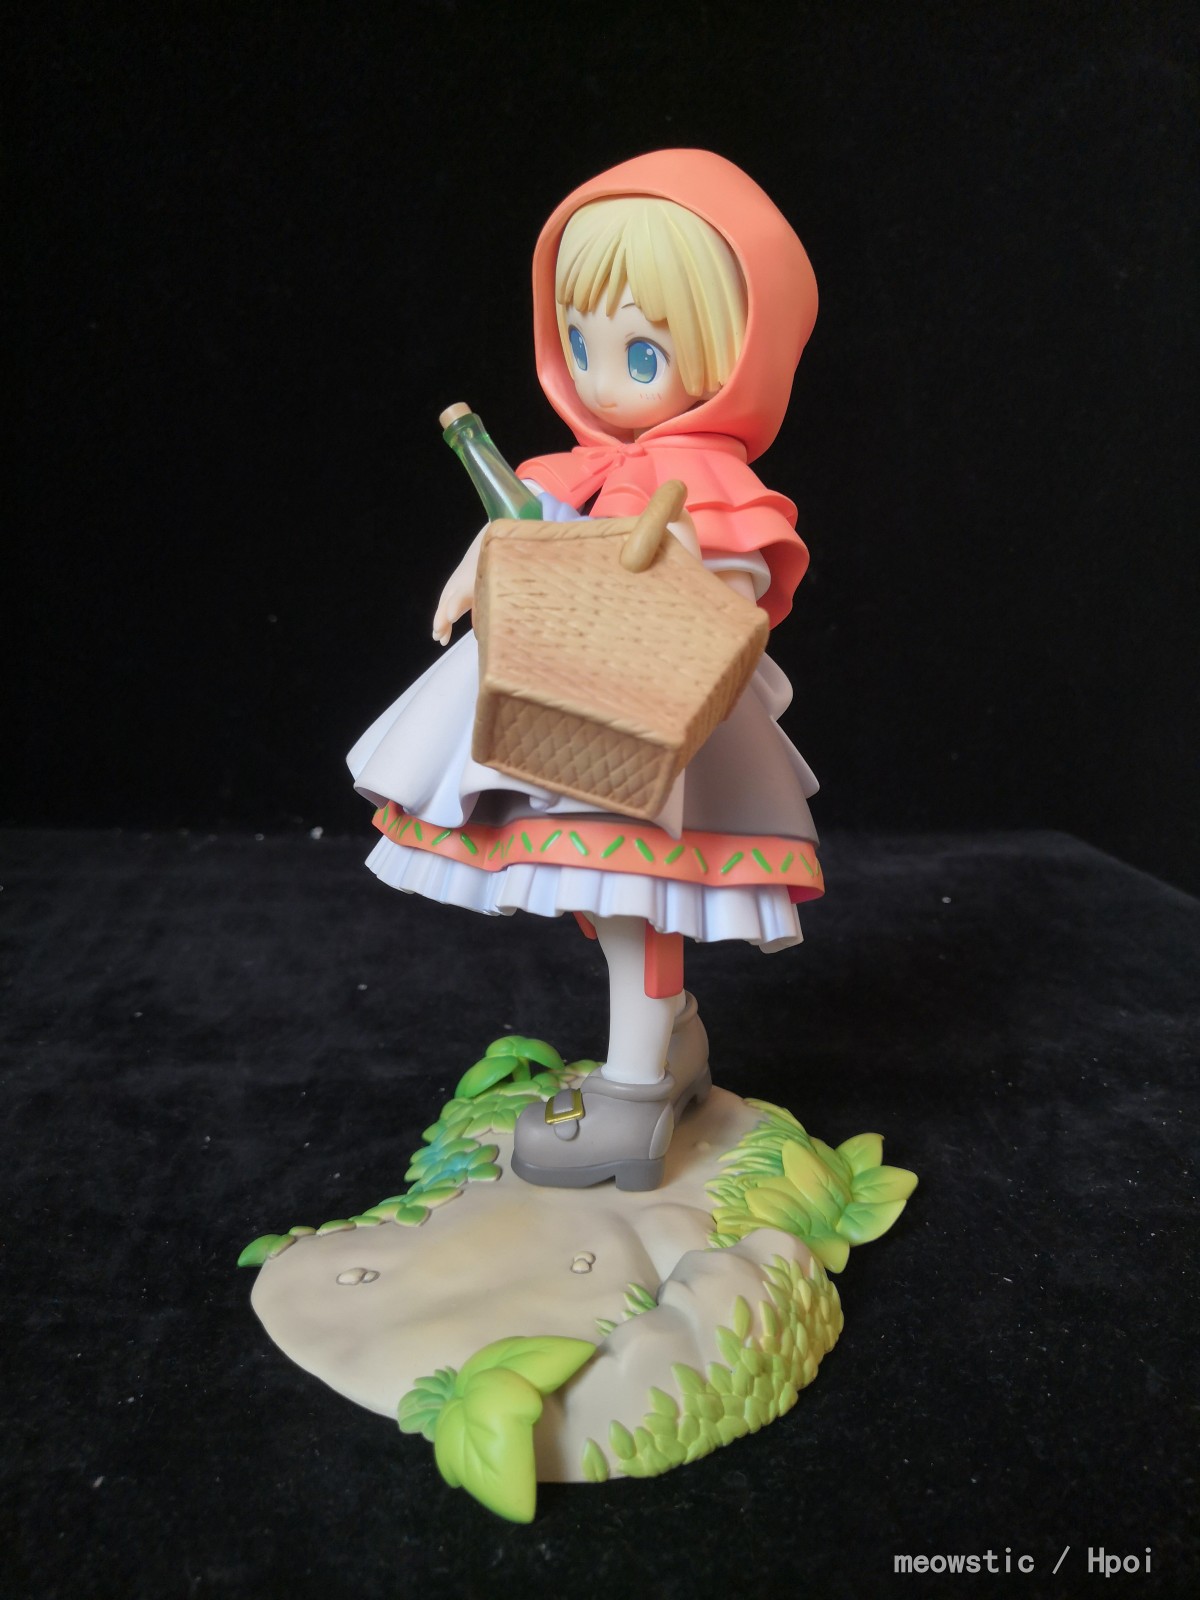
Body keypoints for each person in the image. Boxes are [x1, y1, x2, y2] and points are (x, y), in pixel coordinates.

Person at [347, 149, 823, 1191]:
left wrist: (681, 568)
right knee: (594, 890)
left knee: (635, 893)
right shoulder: (573, 469)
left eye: (642, 353)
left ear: (737, 354)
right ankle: (669, 1036)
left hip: (662, 720)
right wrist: (485, 568)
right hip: (557, 692)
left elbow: (734, 592)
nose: (602, 378)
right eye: (577, 342)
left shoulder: (712, 482)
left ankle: (637, 1086)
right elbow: (525, 535)